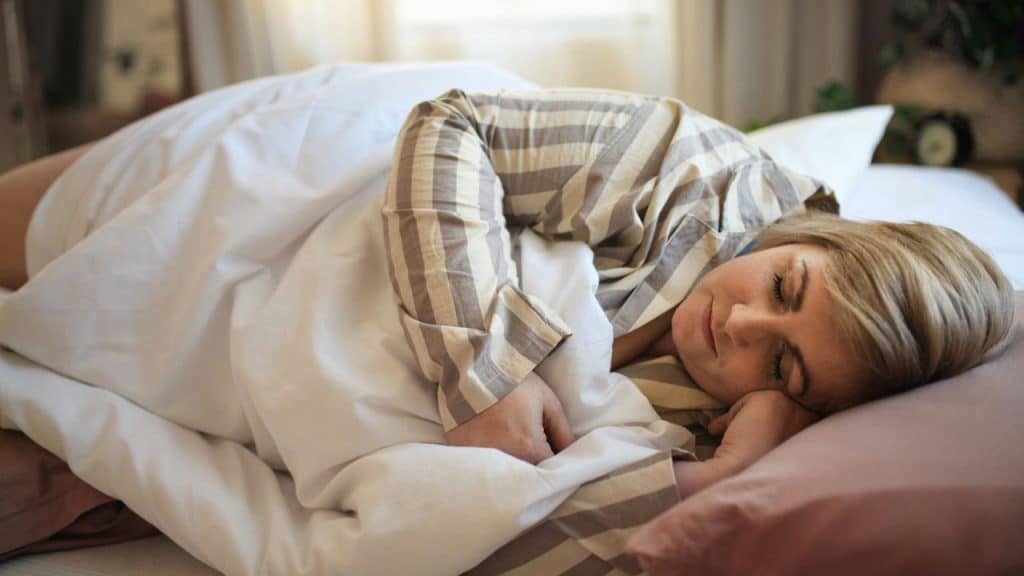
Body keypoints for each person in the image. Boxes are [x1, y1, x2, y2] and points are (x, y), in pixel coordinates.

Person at [0, 87, 1015, 575]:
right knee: (59, 251)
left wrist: (704, 484)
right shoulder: (703, 176)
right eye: (785, 284)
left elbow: (501, 536)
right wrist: (480, 373)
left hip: (272, 392)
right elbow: (452, 128)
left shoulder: (725, 428)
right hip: (305, 185)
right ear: (814, 237)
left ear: (809, 402)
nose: (738, 324)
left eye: (782, 359)